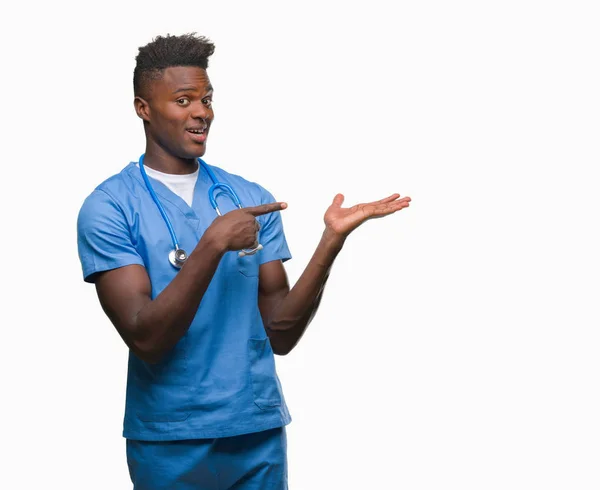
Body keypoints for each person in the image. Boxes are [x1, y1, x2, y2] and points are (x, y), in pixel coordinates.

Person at [77, 33, 411, 490]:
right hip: (169, 438)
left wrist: (330, 242)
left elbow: (282, 333)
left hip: (254, 429)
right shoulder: (110, 207)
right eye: (183, 100)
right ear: (143, 108)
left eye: (207, 99)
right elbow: (146, 337)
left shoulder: (249, 199)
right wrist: (212, 245)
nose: (202, 112)